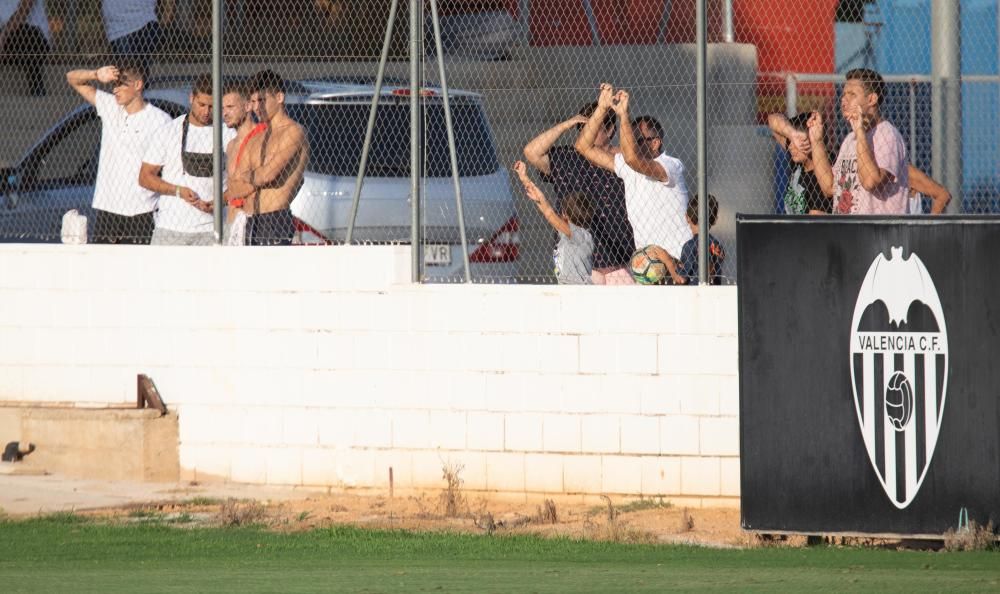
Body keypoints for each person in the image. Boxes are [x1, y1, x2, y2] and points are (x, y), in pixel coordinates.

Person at [576, 83, 691, 285]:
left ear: (655, 143)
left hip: (677, 263)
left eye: (637, 141)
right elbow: (583, 146)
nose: (629, 145)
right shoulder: (627, 167)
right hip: (647, 267)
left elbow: (632, 159)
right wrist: (602, 109)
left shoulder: (670, 165)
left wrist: (624, 116)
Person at [522, 102, 635, 284]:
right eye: (582, 127)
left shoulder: (623, 160)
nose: (586, 132)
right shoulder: (566, 157)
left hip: (622, 259)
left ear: (610, 129)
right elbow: (531, 152)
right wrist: (566, 124)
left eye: (594, 127)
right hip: (578, 263)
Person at [66, 60, 171, 244]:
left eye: (121, 84)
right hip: (108, 208)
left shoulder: (159, 120)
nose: (115, 90)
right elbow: (72, 78)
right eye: (114, 85)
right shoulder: (110, 106)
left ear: (138, 85)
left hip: (142, 209)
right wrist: (96, 74)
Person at [138, 74, 236, 245]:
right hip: (171, 227)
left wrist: (220, 200)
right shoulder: (168, 131)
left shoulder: (228, 134)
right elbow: (145, 177)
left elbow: (239, 181)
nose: (206, 112)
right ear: (191, 98)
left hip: (213, 229)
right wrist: (178, 191)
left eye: (212, 106)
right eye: (202, 104)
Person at [223, 70, 308, 246]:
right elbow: (233, 184)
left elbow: (269, 174)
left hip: (274, 219)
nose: (256, 107)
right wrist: (256, 177)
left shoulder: (293, 131)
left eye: (261, 100)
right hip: (248, 219)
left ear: (279, 97)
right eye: (253, 102)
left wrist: (252, 178)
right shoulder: (255, 139)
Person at [811, 68, 909, 214]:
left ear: (872, 99)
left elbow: (870, 181)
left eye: (852, 94)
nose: (844, 100)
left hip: (875, 233)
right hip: (849, 232)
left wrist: (860, 133)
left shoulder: (888, 134)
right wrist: (817, 141)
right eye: (843, 94)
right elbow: (830, 187)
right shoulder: (850, 139)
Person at [513, 160, 593, 285]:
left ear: (565, 214)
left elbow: (549, 213)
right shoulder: (568, 234)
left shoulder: (579, 235)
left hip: (578, 291)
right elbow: (546, 211)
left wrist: (525, 178)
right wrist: (525, 180)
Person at [221, 78, 267, 243]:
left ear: (247, 106)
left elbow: (261, 179)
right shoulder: (231, 145)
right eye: (222, 108)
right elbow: (234, 183)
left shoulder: (261, 136)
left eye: (230, 107)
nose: (224, 113)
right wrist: (219, 200)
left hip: (254, 220)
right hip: (231, 221)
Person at [767, 111, 831, 214]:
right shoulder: (799, 160)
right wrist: (792, 134)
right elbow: (771, 119)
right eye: (790, 140)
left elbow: (816, 223)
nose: (791, 146)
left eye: (797, 140)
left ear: (812, 139)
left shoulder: (823, 175)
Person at [0, 0, 50, 95]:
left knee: (26, 33)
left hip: (34, 38)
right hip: (8, 44)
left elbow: (23, 11)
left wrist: (3, 35)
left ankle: (36, 84)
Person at [678, 193, 725, 285]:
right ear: (715, 219)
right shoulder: (717, 245)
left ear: (687, 217)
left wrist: (669, 261)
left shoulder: (690, 246)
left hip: (695, 295)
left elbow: (682, 279)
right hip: (715, 293)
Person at [103, 0, 160, 76]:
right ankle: (132, 81)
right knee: (126, 66)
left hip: (145, 18)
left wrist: (168, 12)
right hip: (118, 23)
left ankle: (141, 80)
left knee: (140, 66)